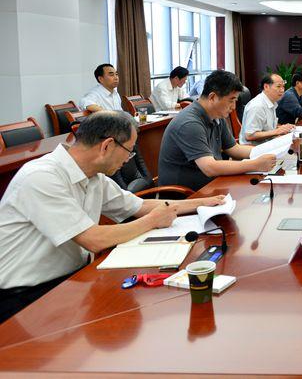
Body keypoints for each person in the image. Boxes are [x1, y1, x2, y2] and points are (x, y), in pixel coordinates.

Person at [0, 111, 226, 322]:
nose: (129, 159)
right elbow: (93, 239)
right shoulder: (41, 177)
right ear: (107, 146)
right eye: (129, 150)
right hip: (25, 297)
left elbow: (140, 206)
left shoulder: (93, 176)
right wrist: (152, 221)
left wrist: (203, 203)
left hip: (73, 281)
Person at [158, 70, 278, 191]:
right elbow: (209, 167)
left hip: (212, 185)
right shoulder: (189, 123)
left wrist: (271, 151)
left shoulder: (217, 116)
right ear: (212, 97)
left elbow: (234, 149)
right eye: (231, 100)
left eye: (235, 101)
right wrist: (256, 164)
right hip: (186, 194)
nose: (233, 107)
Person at [239, 73, 294, 144]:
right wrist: (277, 131)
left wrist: (283, 128)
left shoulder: (271, 102)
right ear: (266, 87)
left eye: (283, 87)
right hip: (254, 148)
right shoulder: (257, 106)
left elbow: (267, 128)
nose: (282, 90)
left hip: (268, 143)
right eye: (278, 86)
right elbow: (250, 135)